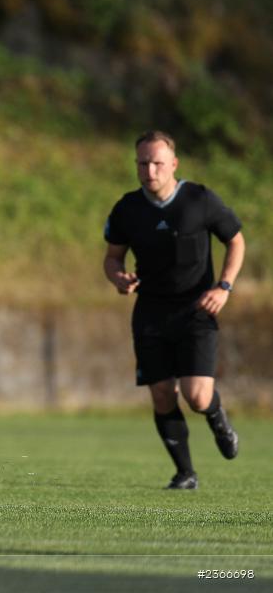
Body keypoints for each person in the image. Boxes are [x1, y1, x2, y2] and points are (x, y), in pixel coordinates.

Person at [103, 130, 245, 490]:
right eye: (143, 163)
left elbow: (236, 241)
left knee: (197, 396)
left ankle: (217, 417)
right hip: (150, 311)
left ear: (173, 164)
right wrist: (118, 277)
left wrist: (224, 286)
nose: (150, 171)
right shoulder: (127, 209)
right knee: (163, 394)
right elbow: (112, 257)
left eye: (157, 163)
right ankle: (186, 473)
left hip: (197, 310)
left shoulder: (200, 199)